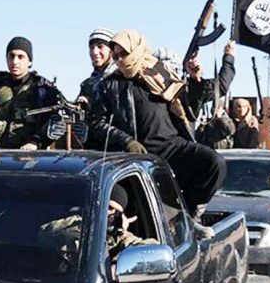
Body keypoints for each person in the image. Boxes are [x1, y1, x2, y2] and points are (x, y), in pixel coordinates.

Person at [89, 29, 226, 218]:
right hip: (142, 154)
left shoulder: (160, 73)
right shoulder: (110, 85)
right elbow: (97, 123)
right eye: (117, 56)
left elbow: (190, 110)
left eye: (124, 54)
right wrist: (127, 141)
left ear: (136, 50)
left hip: (173, 147)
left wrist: (195, 80)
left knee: (214, 163)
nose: (120, 60)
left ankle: (189, 215)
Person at [0, 36, 61, 150]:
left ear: (30, 61)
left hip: (23, 159)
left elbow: (56, 123)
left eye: (21, 57)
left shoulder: (42, 88)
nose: (15, 62)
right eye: (11, 56)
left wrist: (36, 142)